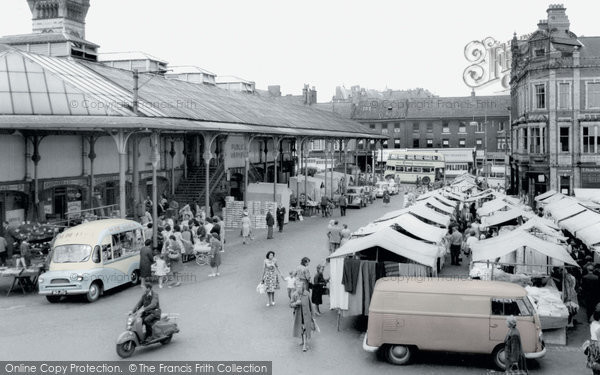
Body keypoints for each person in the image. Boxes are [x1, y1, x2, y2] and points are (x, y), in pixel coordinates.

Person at [290, 280, 315, 352]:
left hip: (306, 315)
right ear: (295, 287)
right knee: (301, 328)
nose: (299, 288)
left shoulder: (307, 294)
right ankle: (302, 341)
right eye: (297, 287)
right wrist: (295, 303)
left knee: (305, 329)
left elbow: (311, 305)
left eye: (300, 286)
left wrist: (313, 315)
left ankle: (305, 344)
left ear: (303, 286)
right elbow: (291, 305)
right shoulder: (294, 294)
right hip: (298, 316)